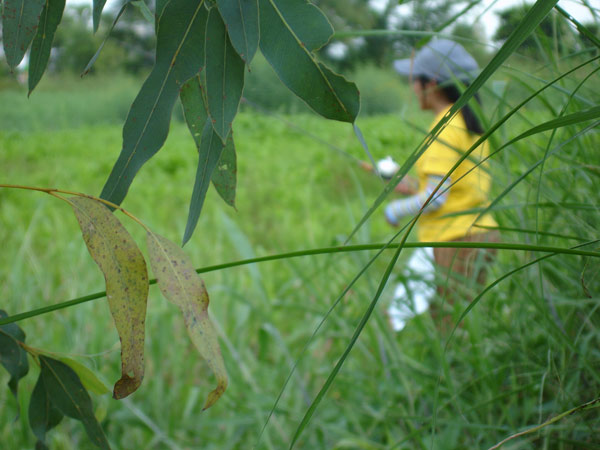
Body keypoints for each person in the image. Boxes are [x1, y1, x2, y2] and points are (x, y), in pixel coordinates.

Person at [380, 39, 500, 329]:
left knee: (450, 328)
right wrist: (409, 183)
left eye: (414, 81)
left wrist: (395, 211)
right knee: (466, 322)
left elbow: (435, 198)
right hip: (482, 234)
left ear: (431, 83)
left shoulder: (444, 128)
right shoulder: (466, 122)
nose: (412, 88)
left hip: (456, 240)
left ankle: (456, 376)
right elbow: (454, 184)